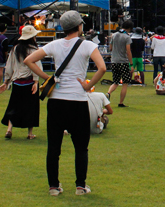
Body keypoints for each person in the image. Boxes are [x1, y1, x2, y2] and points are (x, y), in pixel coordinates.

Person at [24, 10, 107, 196]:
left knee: (54, 147)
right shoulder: (87, 45)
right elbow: (102, 67)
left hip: (56, 101)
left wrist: (48, 78)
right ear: (79, 26)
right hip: (77, 100)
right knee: (81, 147)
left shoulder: (55, 44)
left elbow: (29, 60)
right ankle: (80, 186)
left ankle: (53, 186)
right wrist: (88, 86)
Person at [0, 25, 41, 140]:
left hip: (17, 82)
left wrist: (6, 81)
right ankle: (30, 133)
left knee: (14, 107)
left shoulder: (15, 49)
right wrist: (36, 82)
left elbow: (9, 66)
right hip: (30, 82)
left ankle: (9, 129)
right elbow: (37, 67)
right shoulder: (34, 50)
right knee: (31, 108)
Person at [107, 20, 134, 108]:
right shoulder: (127, 37)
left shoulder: (114, 35)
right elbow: (128, 51)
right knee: (125, 83)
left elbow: (110, 48)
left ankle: (108, 94)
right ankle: (121, 102)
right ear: (130, 28)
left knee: (115, 82)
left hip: (114, 61)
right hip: (123, 62)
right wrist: (131, 64)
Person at [0, 24, 9, 90]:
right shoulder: (4, 38)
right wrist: (6, 56)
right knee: (1, 70)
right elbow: (5, 49)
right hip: (1, 55)